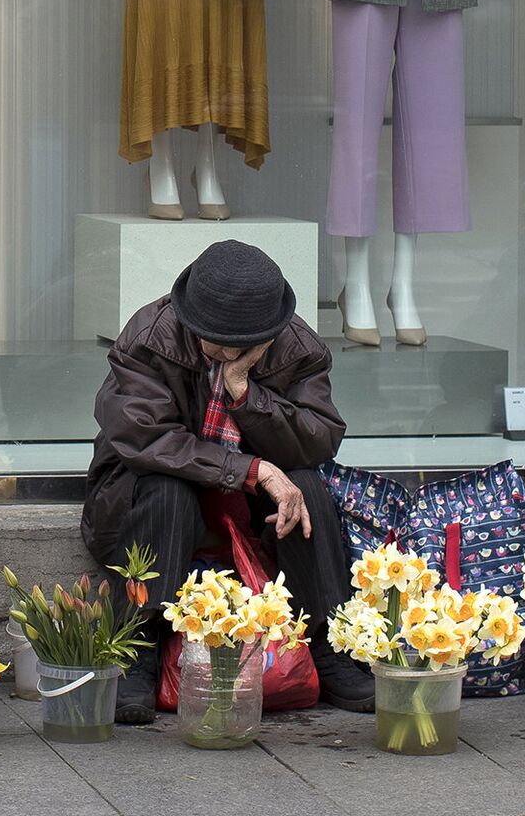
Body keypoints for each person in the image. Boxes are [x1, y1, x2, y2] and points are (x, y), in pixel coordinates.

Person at [83, 240, 374, 722]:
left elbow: (319, 439)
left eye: (240, 344)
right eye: (214, 340)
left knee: (308, 489)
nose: (226, 351)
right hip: (148, 501)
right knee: (167, 491)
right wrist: (251, 469)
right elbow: (142, 435)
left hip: (249, 505)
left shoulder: (298, 347)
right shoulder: (149, 336)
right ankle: (136, 646)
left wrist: (246, 392)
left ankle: (325, 640)